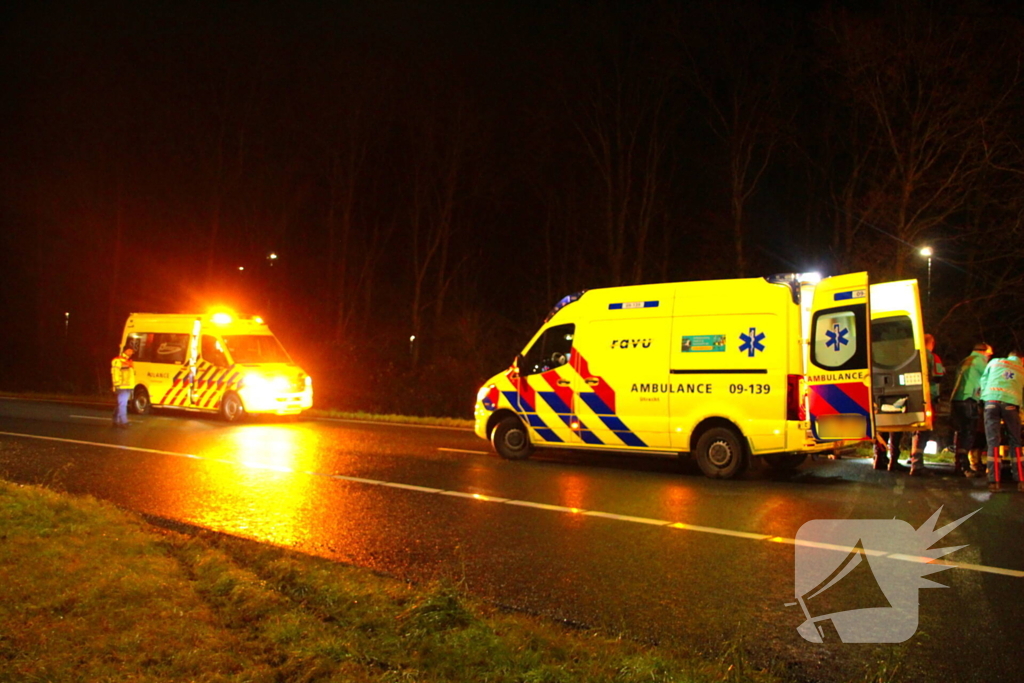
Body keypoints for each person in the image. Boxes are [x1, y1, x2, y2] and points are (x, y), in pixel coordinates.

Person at [978, 349, 1024, 492]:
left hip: (991, 402)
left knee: (993, 442)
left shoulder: (995, 362)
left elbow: (983, 381)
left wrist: (985, 397)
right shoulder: (1021, 369)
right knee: (1015, 442)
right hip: (1011, 405)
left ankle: (994, 482)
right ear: (1021, 359)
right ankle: (1021, 481)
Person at [949, 343, 993, 477]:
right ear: (984, 352)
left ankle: (959, 465)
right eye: (990, 355)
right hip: (969, 398)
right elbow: (990, 379)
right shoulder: (980, 361)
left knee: (961, 432)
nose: (989, 358)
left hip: (957, 398)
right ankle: (964, 466)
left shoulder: (965, 361)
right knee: (969, 432)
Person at [905, 334, 946, 476]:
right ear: (932, 343)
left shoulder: (910, 356)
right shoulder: (932, 357)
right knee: (925, 430)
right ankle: (917, 464)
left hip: (911, 395)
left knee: (912, 428)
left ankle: (908, 459)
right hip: (928, 396)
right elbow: (938, 375)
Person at [111, 344, 135, 428]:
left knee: (120, 404)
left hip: (128, 386)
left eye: (132, 351)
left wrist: (132, 386)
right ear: (125, 350)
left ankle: (115, 420)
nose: (131, 352)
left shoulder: (129, 361)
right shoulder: (118, 360)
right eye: (129, 350)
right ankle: (124, 422)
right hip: (121, 386)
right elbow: (115, 373)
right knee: (123, 404)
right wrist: (117, 384)